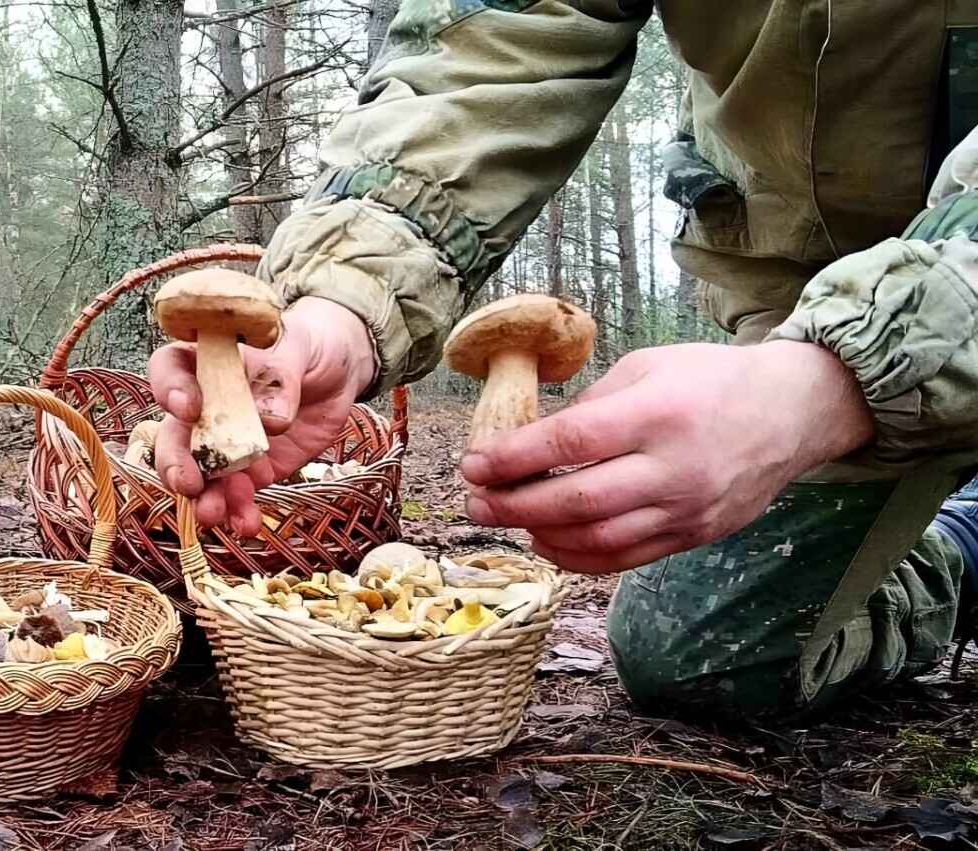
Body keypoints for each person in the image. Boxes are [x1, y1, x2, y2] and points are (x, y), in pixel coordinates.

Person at [149, 2, 978, 721]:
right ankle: (965, 542)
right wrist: (345, 304)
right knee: (697, 653)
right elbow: (493, 45)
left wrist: (830, 380)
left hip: (918, 297)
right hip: (804, 304)